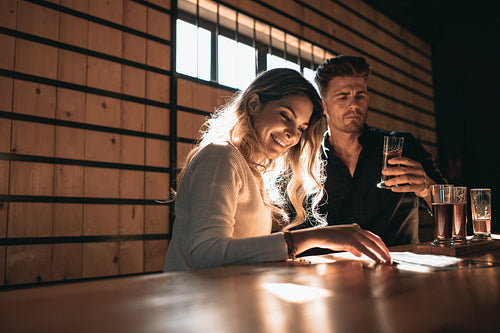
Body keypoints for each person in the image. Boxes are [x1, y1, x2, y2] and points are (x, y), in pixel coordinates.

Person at [164, 68, 391, 272]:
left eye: (301, 127)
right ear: (254, 104)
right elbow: (206, 255)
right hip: (196, 307)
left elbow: (241, 256)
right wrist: (317, 236)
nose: (293, 134)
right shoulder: (221, 156)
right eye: (286, 116)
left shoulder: (254, 171)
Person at [312, 55, 447, 246]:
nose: (354, 105)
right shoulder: (308, 161)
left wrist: (428, 189)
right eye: (343, 97)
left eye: (360, 96)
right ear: (323, 105)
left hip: (400, 269)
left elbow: (457, 215)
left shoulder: (403, 146)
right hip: (332, 271)